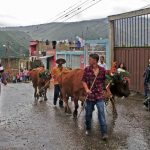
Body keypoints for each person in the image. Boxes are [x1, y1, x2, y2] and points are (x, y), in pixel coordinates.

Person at [82, 53, 108, 140]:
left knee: (101, 113)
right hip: (90, 96)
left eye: (90, 59)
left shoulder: (102, 70)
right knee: (88, 114)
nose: (89, 61)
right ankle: (88, 128)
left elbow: (105, 81)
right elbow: (84, 81)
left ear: (95, 60)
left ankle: (104, 133)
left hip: (99, 96)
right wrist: (86, 89)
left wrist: (105, 89)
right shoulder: (87, 70)